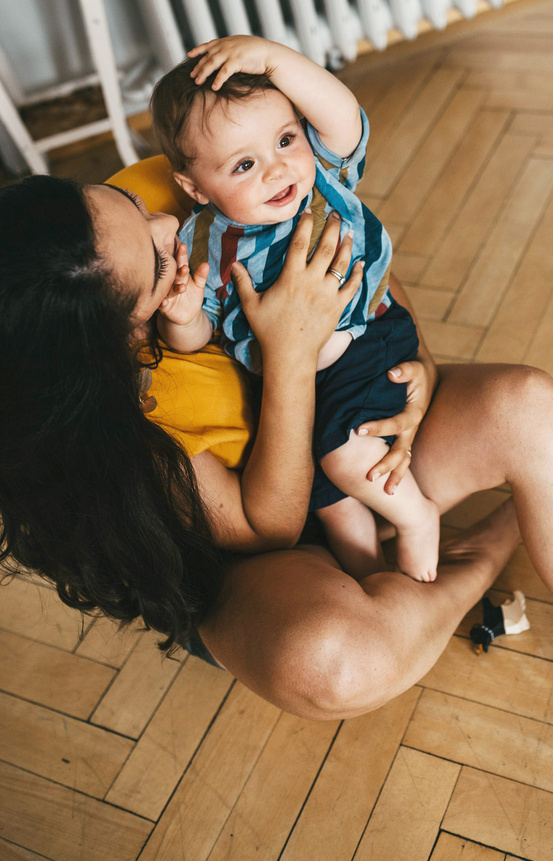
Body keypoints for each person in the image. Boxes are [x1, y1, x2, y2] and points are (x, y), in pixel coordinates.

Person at [1, 172, 552, 723]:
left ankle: (418, 556)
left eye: (130, 202)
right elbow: (270, 527)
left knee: (530, 406)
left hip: (352, 442)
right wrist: (289, 347)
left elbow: (345, 250)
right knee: (333, 664)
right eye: (160, 259)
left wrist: (421, 370)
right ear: (123, 337)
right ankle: (485, 550)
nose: (167, 222)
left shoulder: (162, 198)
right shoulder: (110, 428)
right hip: (261, 558)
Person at [150, 36, 440, 583]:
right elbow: (197, 336)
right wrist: (183, 315)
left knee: (344, 457)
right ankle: (372, 579)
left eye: (286, 139)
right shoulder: (206, 239)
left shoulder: (322, 181)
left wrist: (275, 61)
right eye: (242, 165)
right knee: (327, 500)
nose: (277, 169)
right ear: (196, 188)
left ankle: (417, 519)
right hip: (291, 382)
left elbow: (345, 118)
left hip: (362, 342)